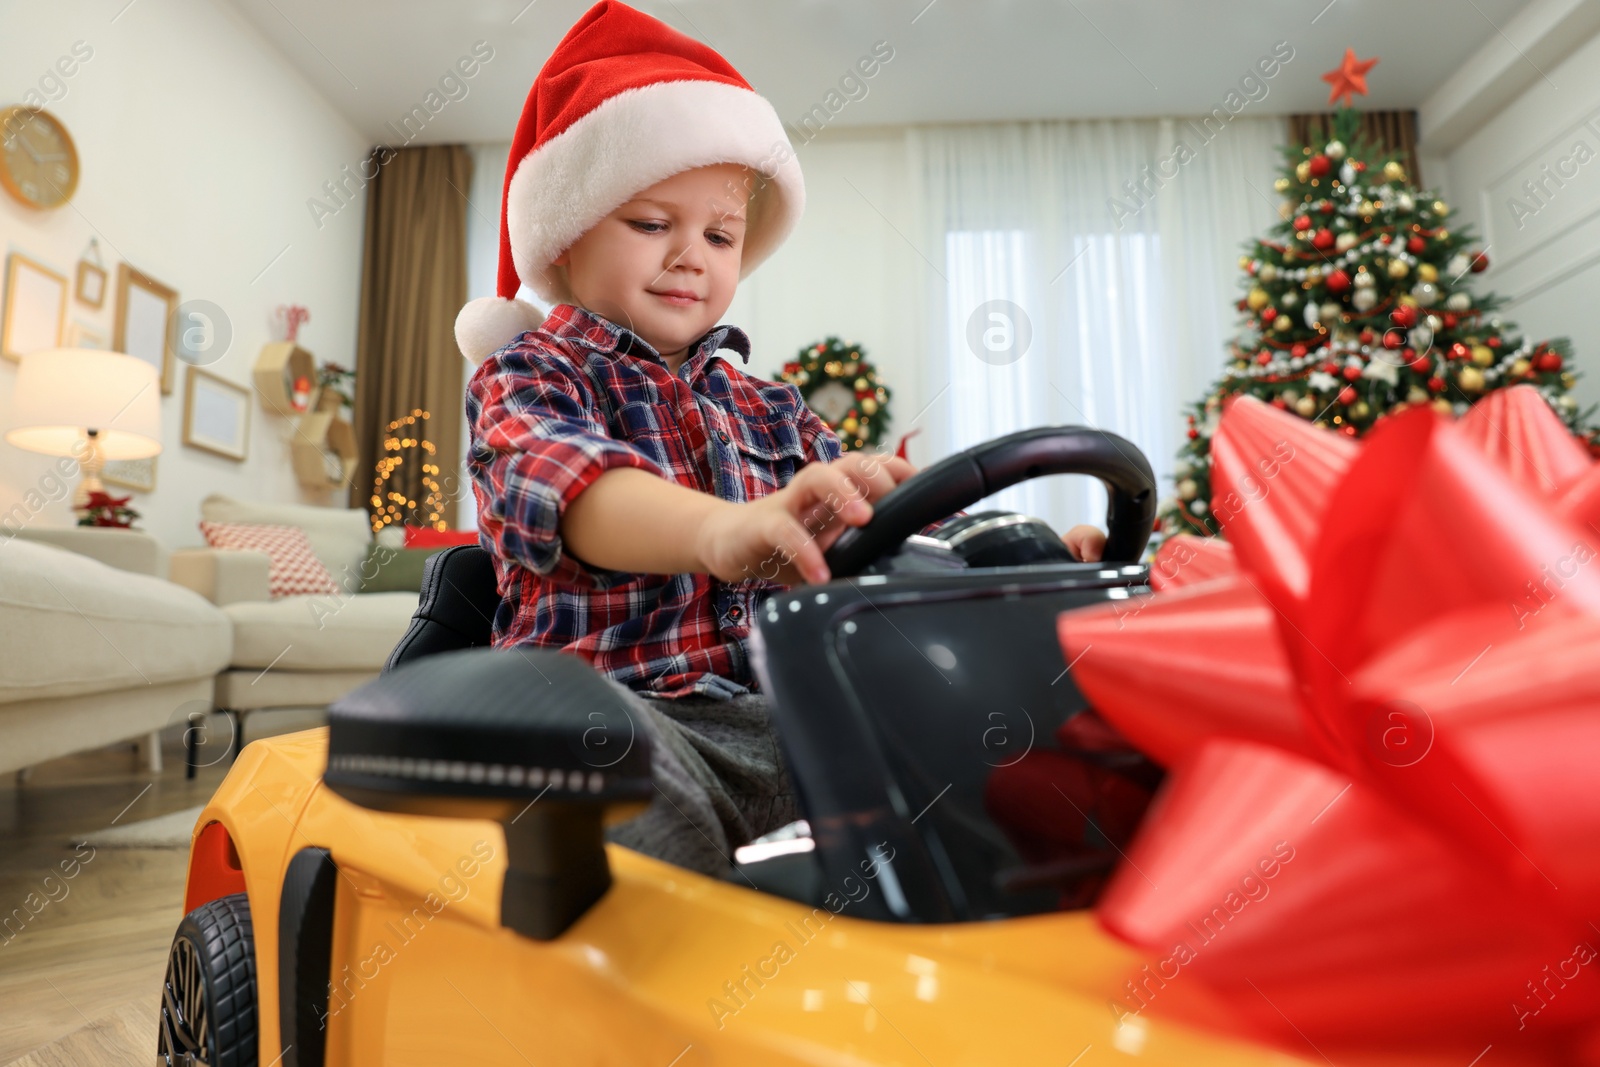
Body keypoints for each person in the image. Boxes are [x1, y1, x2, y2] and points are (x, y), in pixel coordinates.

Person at [458, 0, 1106, 878]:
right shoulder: (531, 375)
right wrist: (719, 531)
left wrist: (1022, 570)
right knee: (623, 808)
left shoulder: (776, 409)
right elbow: (570, 485)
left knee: (1005, 769)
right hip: (628, 711)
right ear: (566, 238)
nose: (692, 253)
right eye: (653, 223)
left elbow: (872, 532)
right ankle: (642, 992)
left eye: (720, 235)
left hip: (800, 711)